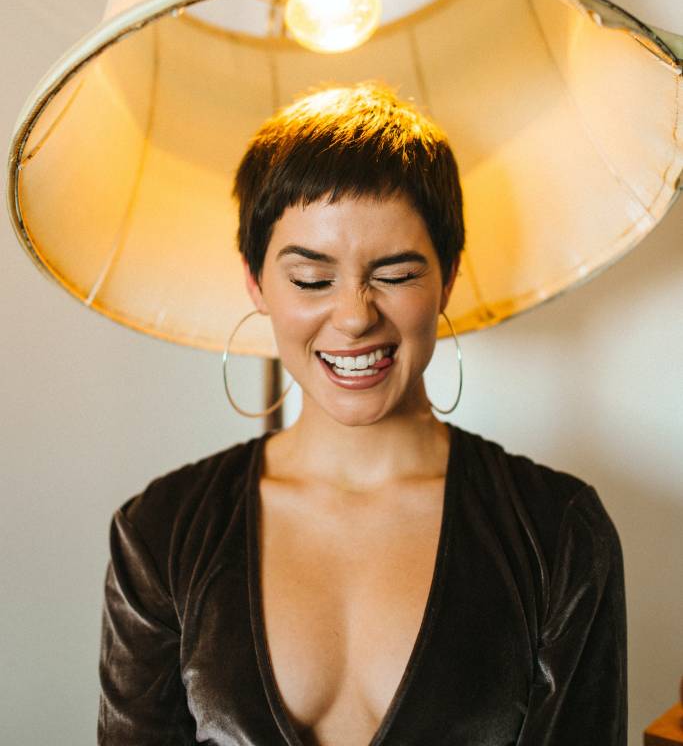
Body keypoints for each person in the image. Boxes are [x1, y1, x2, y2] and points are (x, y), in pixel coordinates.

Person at [97, 81, 627, 745]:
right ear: (255, 281)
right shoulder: (160, 533)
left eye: (397, 274)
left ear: (448, 277)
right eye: (311, 279)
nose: (354, 315)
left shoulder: (558, 531)